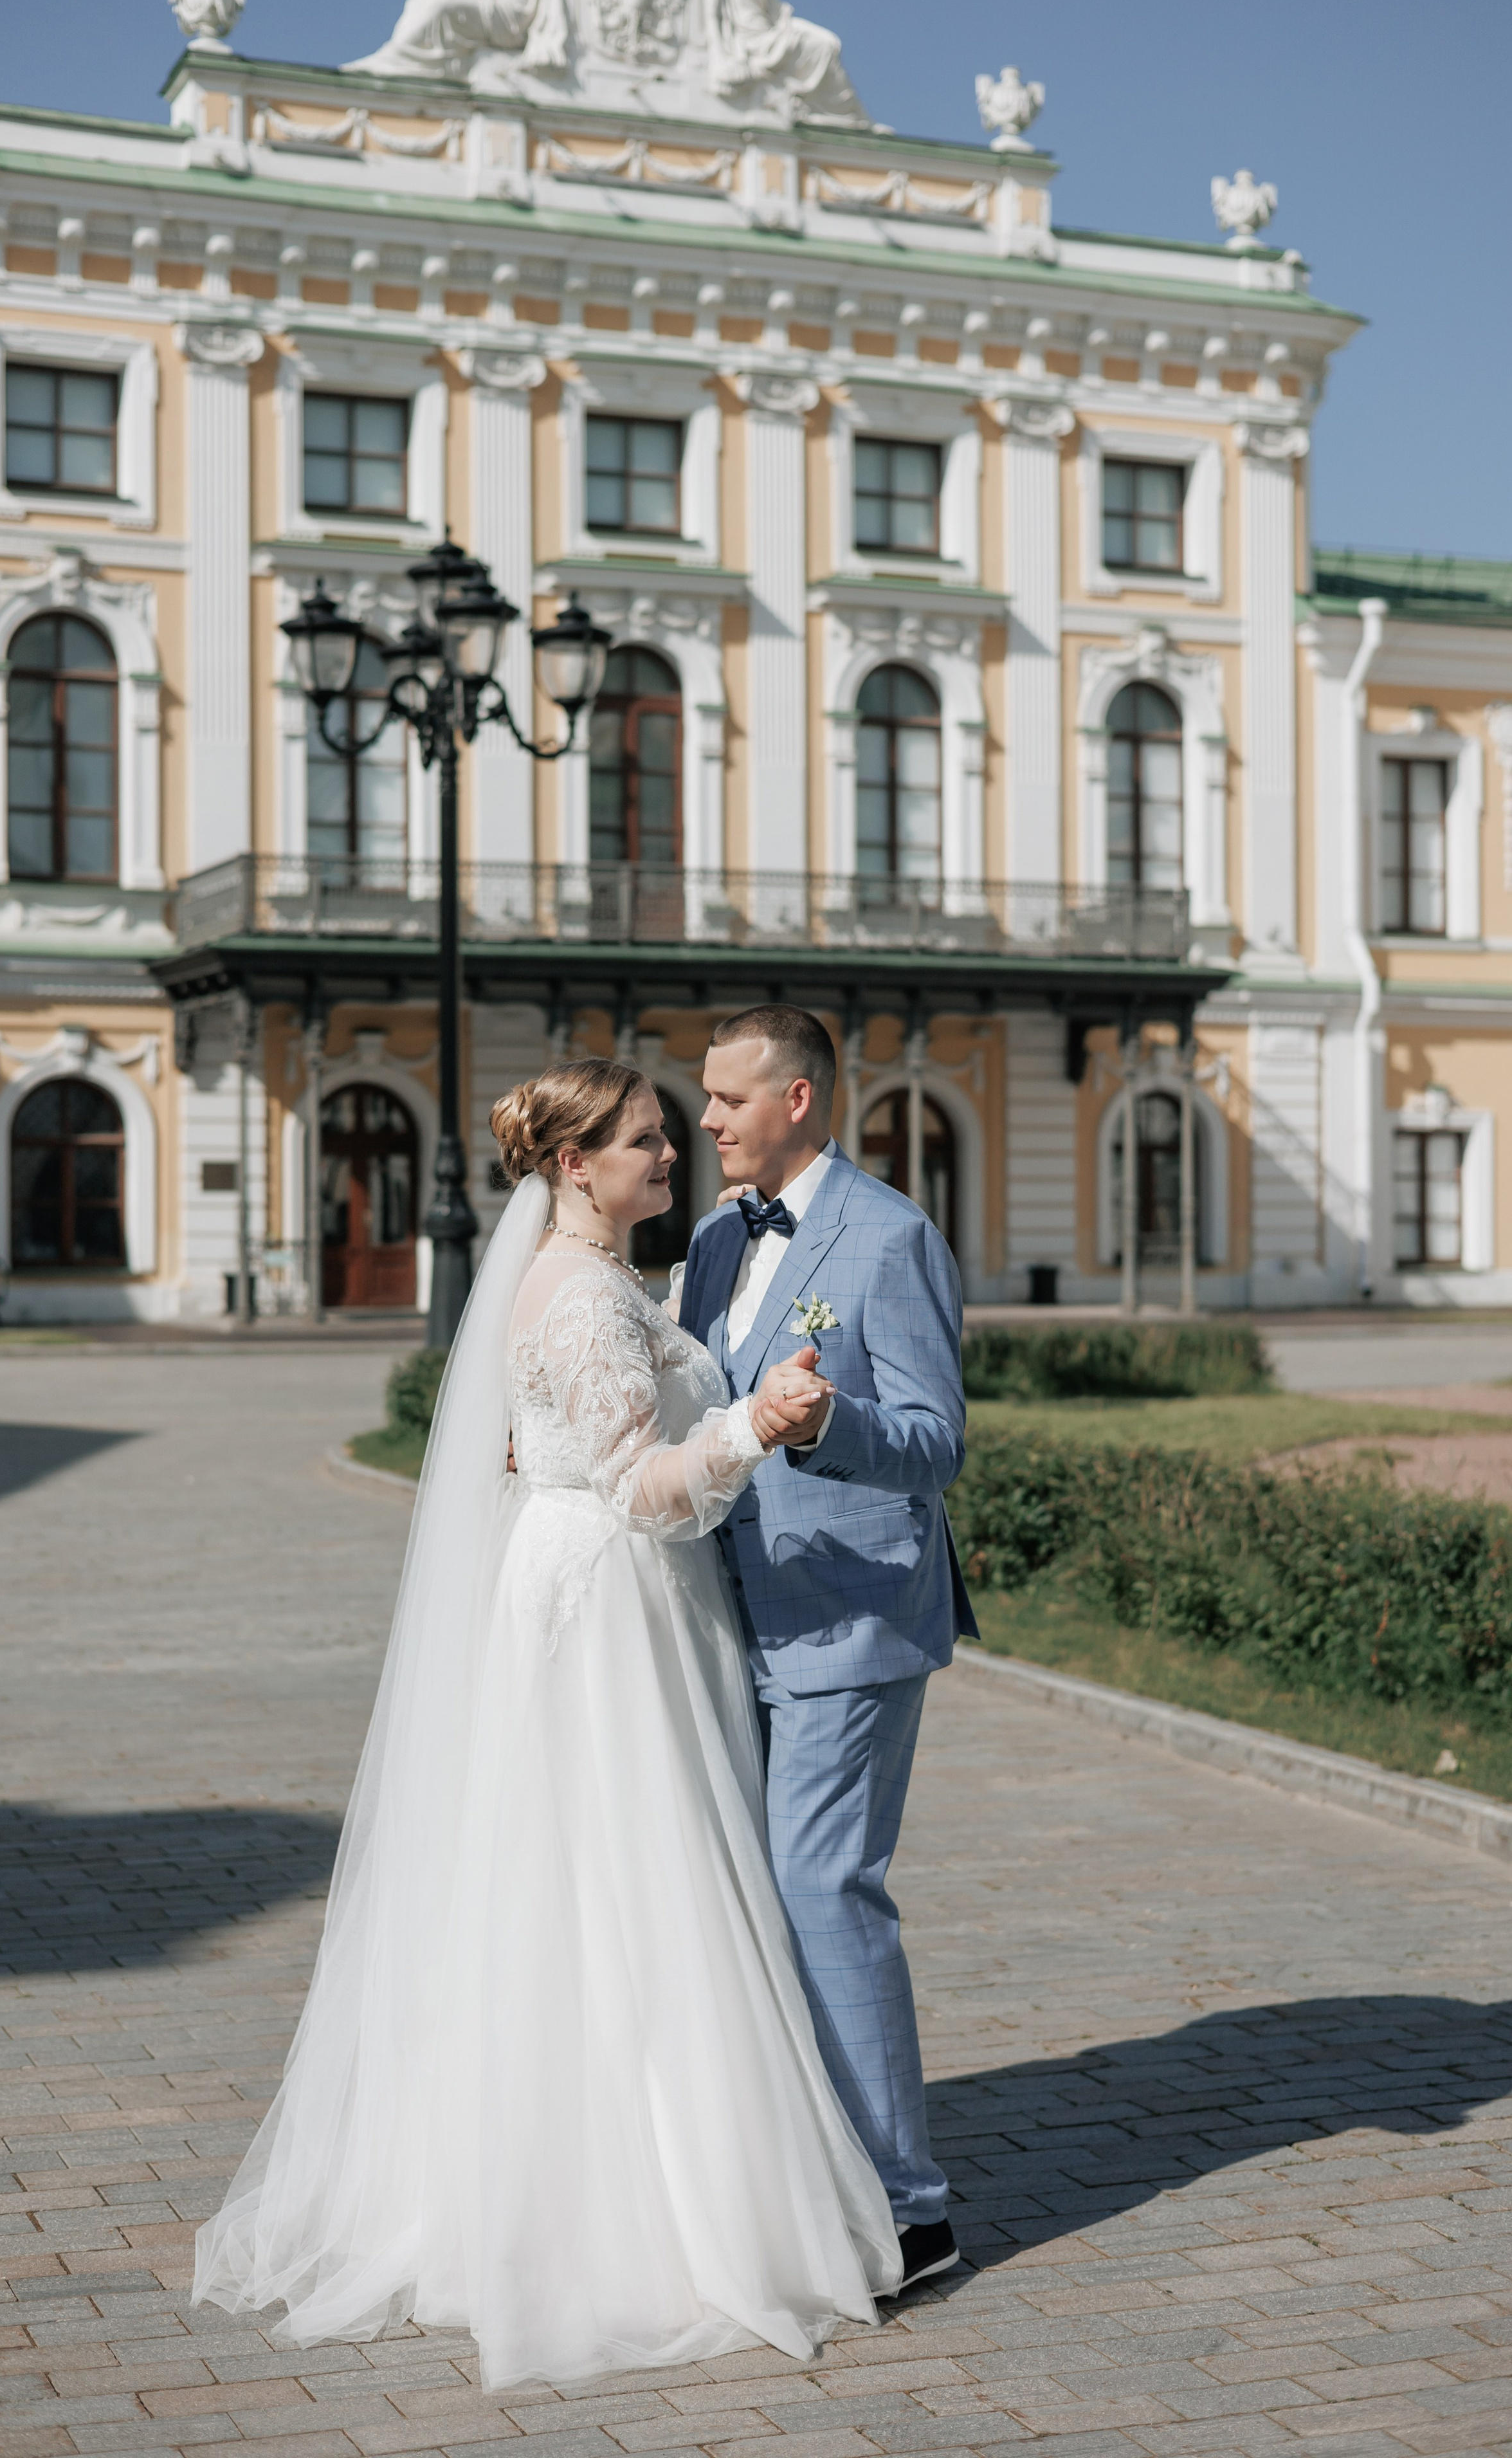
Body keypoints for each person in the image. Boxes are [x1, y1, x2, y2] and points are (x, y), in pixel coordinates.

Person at [194, 1059, 902, 2387]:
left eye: (666, 1136)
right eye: (643, 1141)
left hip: (600, 1588)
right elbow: (636, 1485)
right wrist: (755, 1424)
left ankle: (583, 2169)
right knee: (626, 1882)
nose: (670, 1155)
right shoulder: (580, 1293)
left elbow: (569, 1439)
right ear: (574, 1166)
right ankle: (640, 2211)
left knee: (581, 1884)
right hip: (609, 1604)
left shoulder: (597, 1278)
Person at [677, 1004, 976, 2293]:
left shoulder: (890, 1234)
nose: (705, 1119)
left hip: (851, 1620)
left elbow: (934, 1443)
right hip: (725, 1618)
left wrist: (824, 1424)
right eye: (703, 1097)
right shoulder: (709, 1241)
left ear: (796, 1098)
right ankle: (803, 2180)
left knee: (821, 1888)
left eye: (727, 1098)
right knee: (747, 1898)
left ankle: (910, 2213)